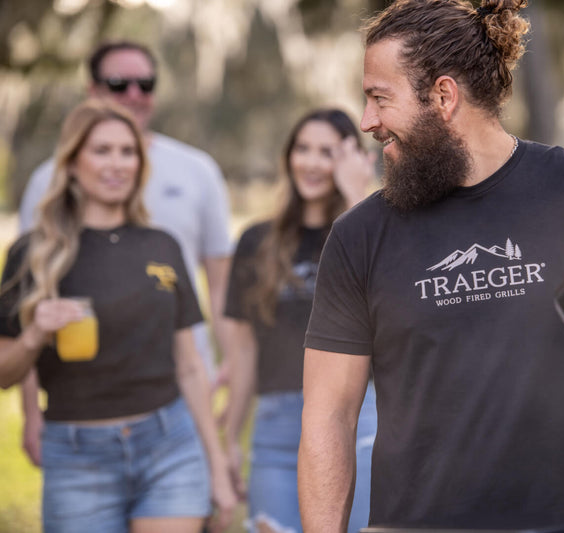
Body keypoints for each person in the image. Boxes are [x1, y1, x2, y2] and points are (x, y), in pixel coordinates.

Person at [297, 0, 564, 530]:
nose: (367, 122)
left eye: (379, 98)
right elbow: (329, 415)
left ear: (443, 96)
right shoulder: (358, 238)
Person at [0, 99, 236, 532]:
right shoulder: (33, 253)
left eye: (127, 152)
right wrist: (34, 335)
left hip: (170, 445)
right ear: (72, 164)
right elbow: (3, 374)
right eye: (102, 151)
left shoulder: (162, 246)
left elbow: (189, 366)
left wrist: (217, 470)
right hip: (77, 456)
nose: (118, 164)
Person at [17, 40, 234, 467]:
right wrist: (30, 412)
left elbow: (220, 284)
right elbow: (32, 301)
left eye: (145, 83)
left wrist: (229, 367)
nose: (134, 94)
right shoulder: (47, 182)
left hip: (186, 388)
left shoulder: (198, 170)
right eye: (119, 83)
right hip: (86, 405)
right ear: (91, 90)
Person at [223, 108, 377, 533]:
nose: (310, 162)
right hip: (276, 425)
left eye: (326, 152)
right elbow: (242, 350)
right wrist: (231, 439)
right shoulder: (256, 242)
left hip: (357, 417)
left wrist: (356, 196)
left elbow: (386, 299)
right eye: (302, 149)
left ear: (351, 160)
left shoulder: (370, 228)